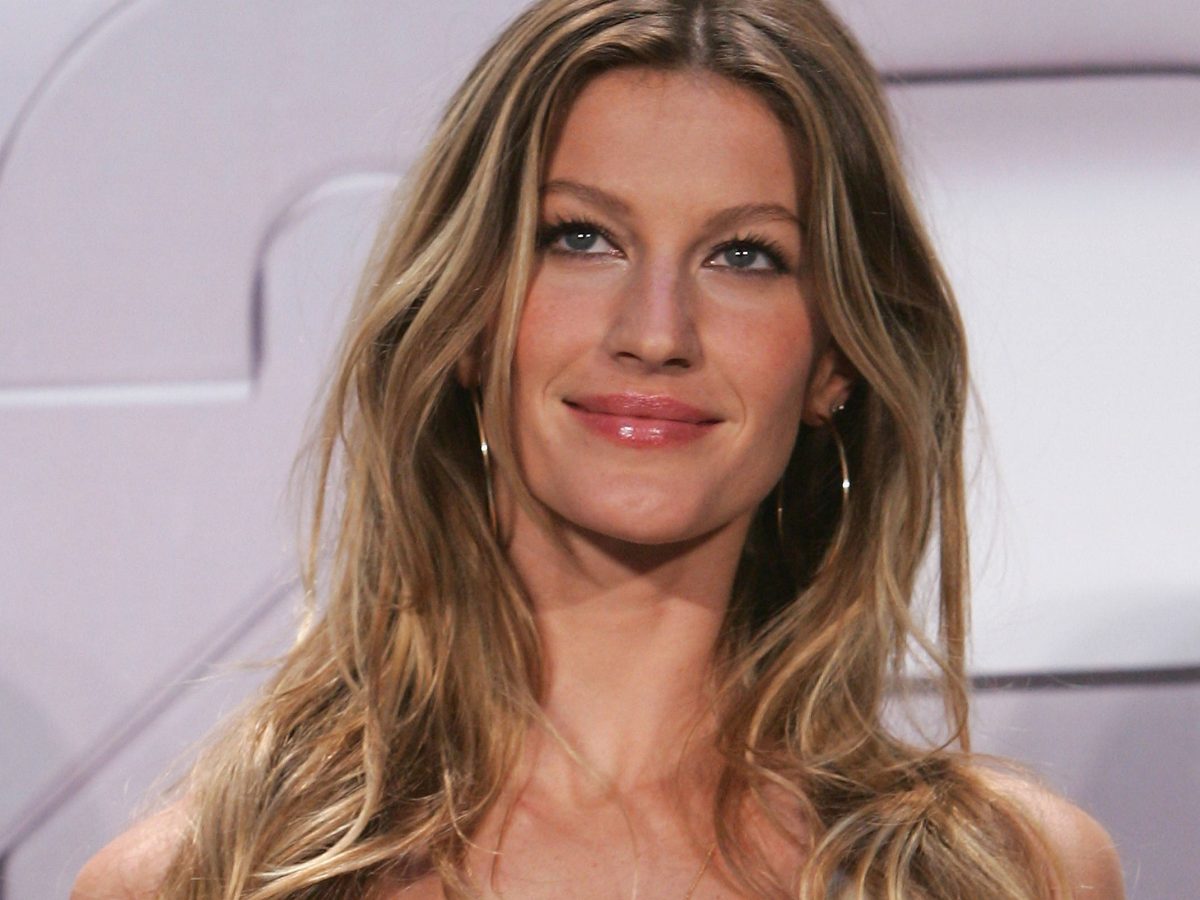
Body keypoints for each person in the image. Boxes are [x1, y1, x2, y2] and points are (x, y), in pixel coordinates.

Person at [74, 0, 1125, 897]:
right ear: (470, 316)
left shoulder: (1007, 874)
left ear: (835, 362)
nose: (656, 332)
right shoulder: (206, 877)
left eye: (745, 255)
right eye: (581, 237)